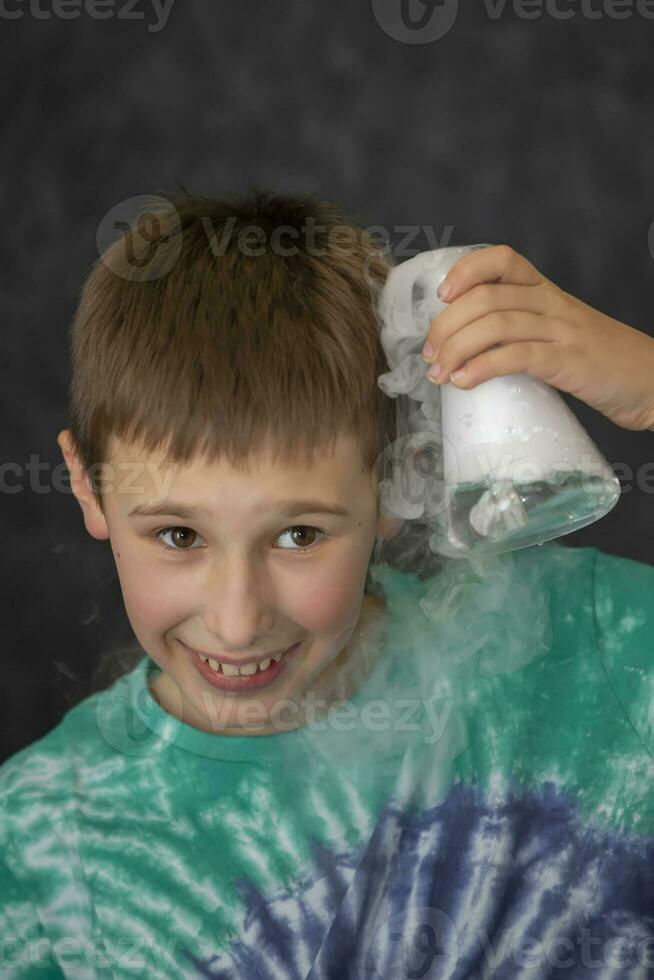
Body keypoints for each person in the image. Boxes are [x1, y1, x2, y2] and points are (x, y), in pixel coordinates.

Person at [1, 187, 653, 979]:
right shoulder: (39, 841)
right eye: (179, 536)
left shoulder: (590, 651)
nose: (237, 623)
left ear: (397, 484)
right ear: (86, 487)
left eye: (299, 535)